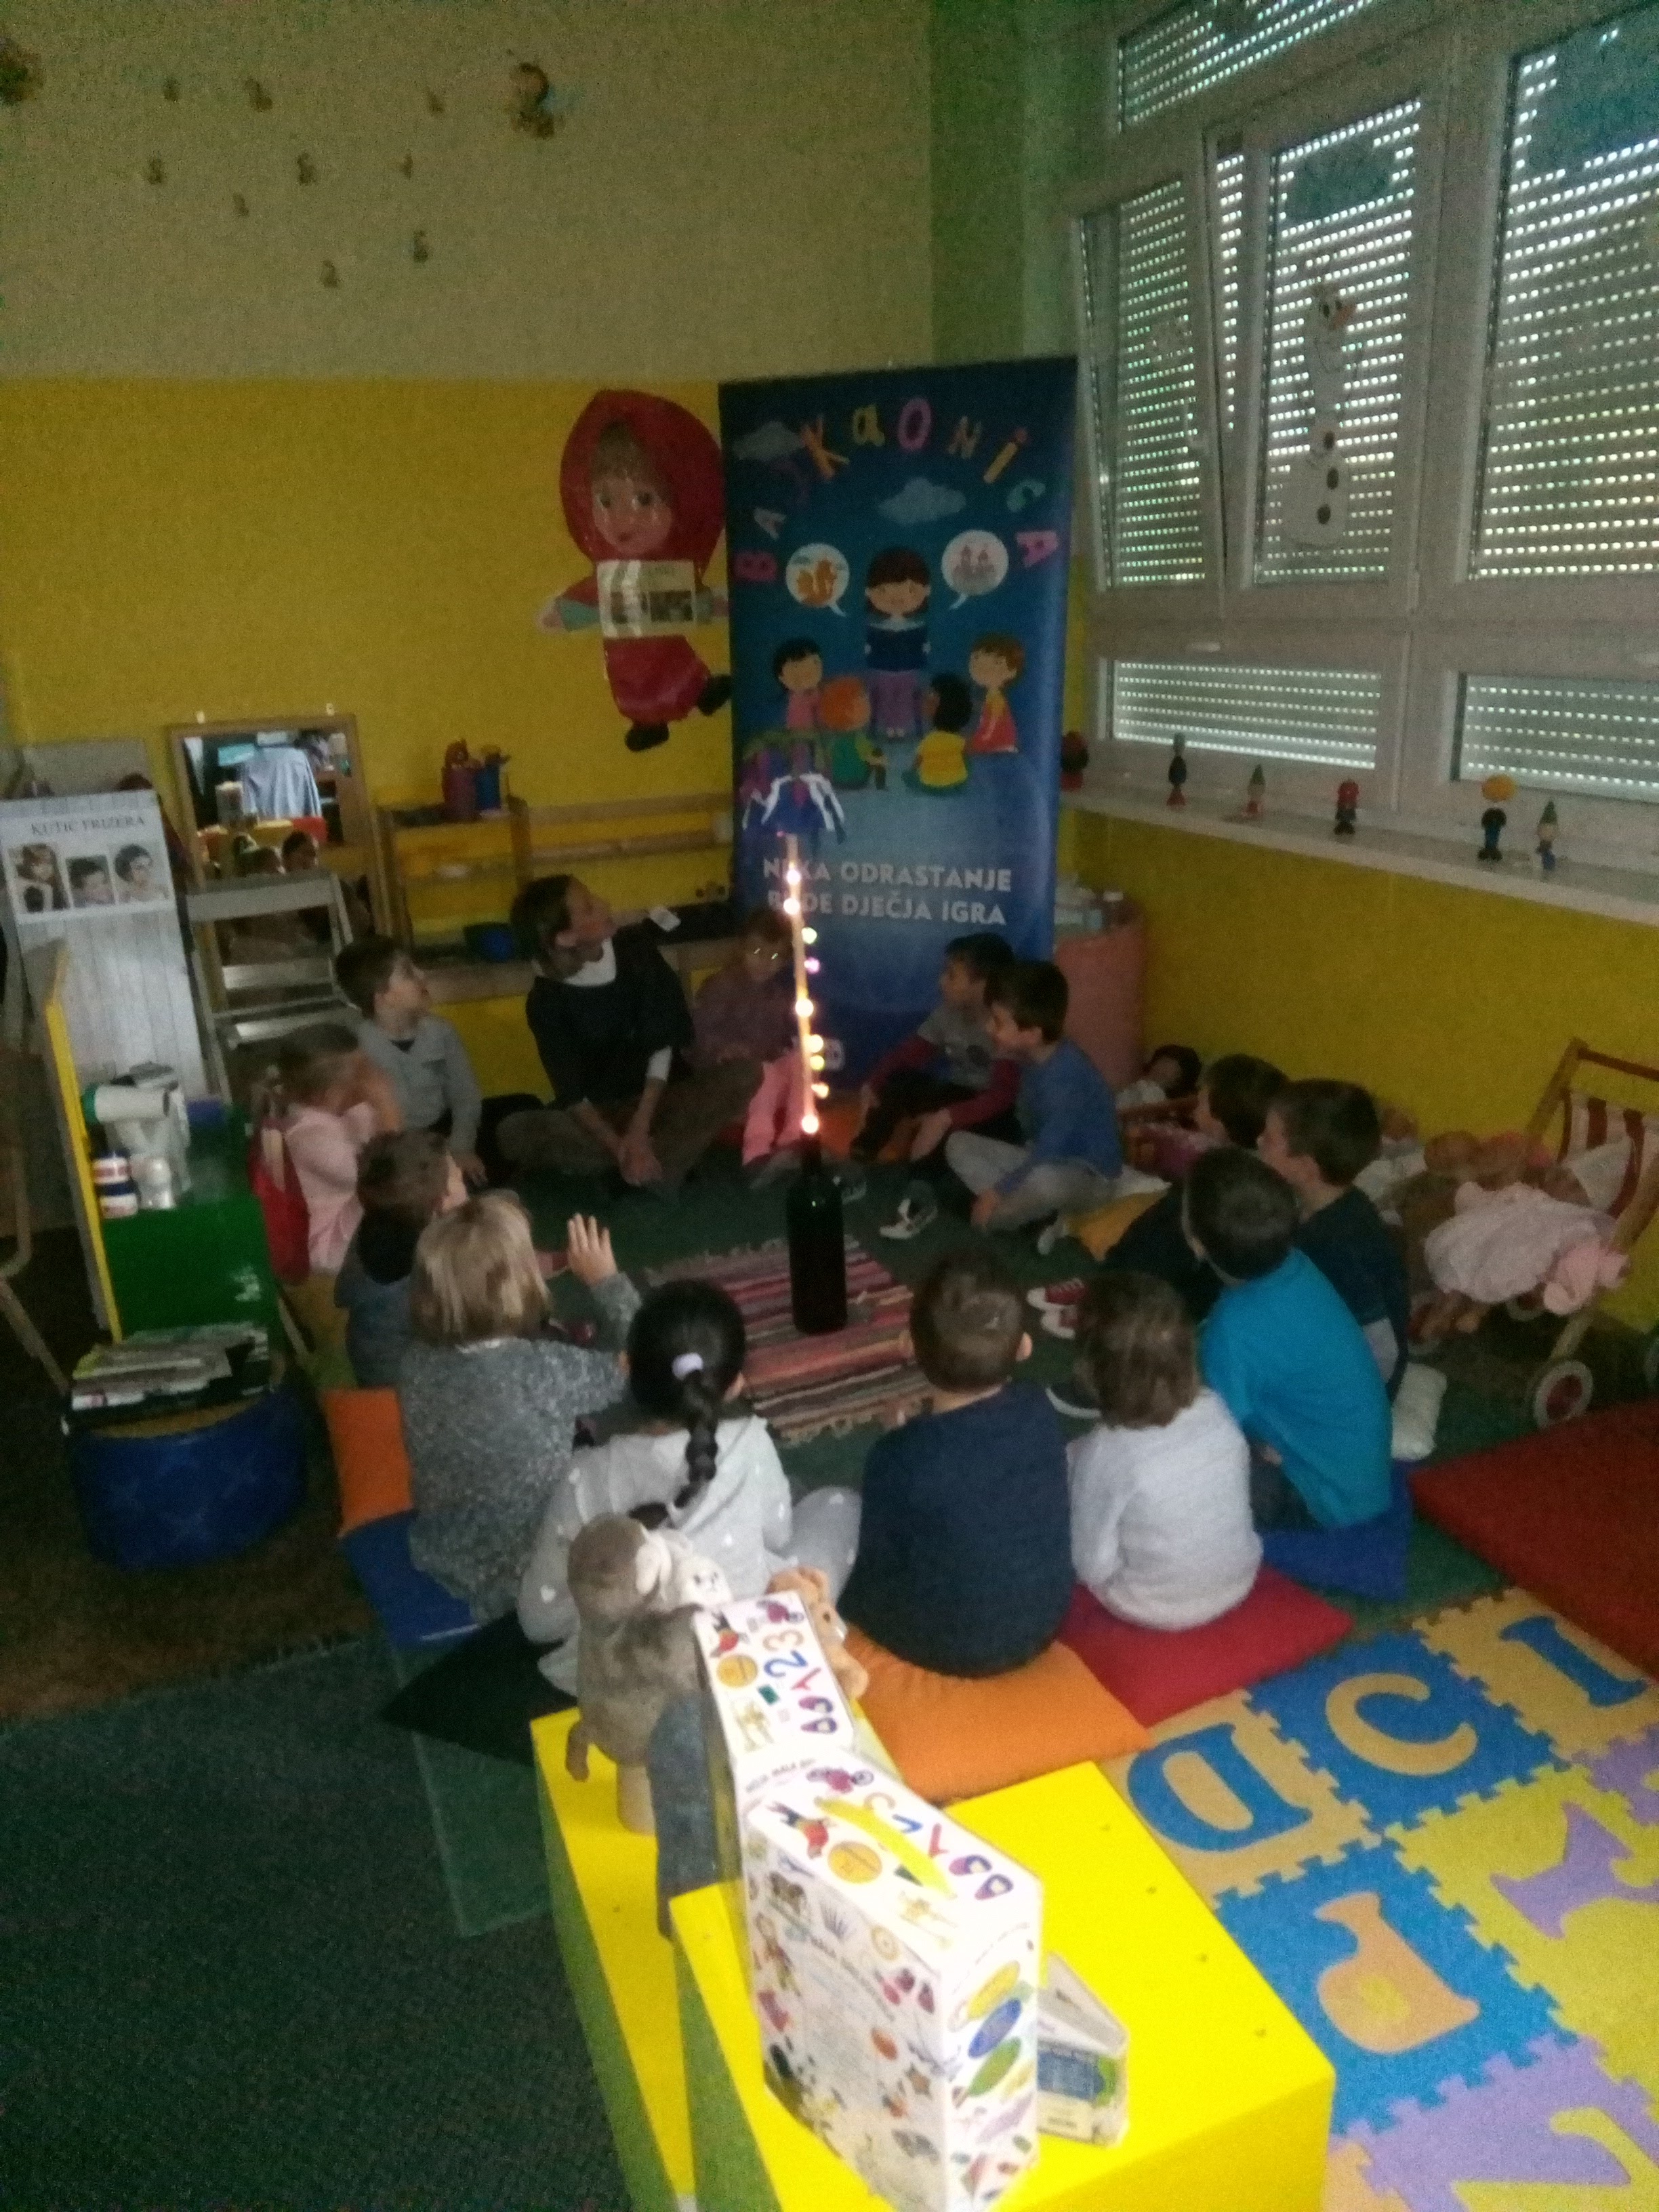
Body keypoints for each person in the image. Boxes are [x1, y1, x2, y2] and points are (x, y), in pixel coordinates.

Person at [518, 1279, 861, 1689]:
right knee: (841, 1503)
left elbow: (539, 1621)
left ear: (626, 1367)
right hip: (748, 1648)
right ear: (735, 1384)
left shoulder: (585, 1476)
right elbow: (779, 1535)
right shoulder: (752, 1442)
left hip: (630, 1681)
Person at [838, 1248, 1072, 1677]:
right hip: (1043, 1622)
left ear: (910, 1347)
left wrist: (898, 1439)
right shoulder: (1039, 1408)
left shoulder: (900, 1458)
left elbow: (877, 1557)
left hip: (941, 1645)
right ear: (1024, 1347)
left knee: (838, 1508)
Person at [400, 1202, 640, 1620]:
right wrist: (607, 1282)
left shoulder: (414, 1362)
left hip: (446, 1547)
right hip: (534, 1566)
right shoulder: (545, 1370)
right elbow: (648, 1356)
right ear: (518, 1286)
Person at [497, 875, 760, 1192]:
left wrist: (640, 1127)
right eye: (589, 908)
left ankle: (635, 1167)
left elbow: (663, 1043)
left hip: (660, 1100)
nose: (604, 905)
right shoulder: (545, 1001)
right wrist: (617, 1144)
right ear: (566, 938)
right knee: (515, 1131)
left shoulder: (636, 949)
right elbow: (573, 1094)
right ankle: (648, 1162)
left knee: (745, 1074)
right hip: (603, 1116)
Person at [1186, 1149, 1393, 1532]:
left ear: (1197, 1242)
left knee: (1176, 1472)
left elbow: (1214, 1431)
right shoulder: (1296, 1263)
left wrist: (1249, 1447)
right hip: (1360, 1477)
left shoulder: (1232, 1331)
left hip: (1320, 1498)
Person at [1067, 1272, 1260, 1628]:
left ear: (1092, 1371)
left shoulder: (1107, 1451)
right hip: (1239, 1579)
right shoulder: (1216, 1409)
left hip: (1151, 1606)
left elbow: (1091, 1567)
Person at [1099, 1052, 1288, 1321]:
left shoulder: (1212, 1186)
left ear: (1220, 1125)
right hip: (1197, 1285)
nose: (1195, 1108)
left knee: (1154, 1222)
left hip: (1167, 1298)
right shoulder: (1254, 1171)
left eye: (1201, 1101)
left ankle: (1111, 1292)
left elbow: (1166, 1243)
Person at [858, 933, 1020, 1240]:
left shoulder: (1004, 1024)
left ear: (982, 984)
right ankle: (860, 1156)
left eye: (951, 975)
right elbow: (908, 1054)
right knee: (900, 1081)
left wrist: (946, 1117)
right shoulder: (947, 1014)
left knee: (944, 1132)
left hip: (997, 1113)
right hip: (957, 1093)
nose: (941, 982)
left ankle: (921, 1196)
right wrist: (873, 1084)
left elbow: (1002, 1095)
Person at [944, 960, 1122, 1234]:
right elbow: (1031, 1134)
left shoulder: (1066, 1075)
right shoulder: (1031, 1059)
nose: (989, 1028)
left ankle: (1000, 1218)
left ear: (1031, 1035)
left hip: (1088, 1177)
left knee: (1044, 1181)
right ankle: (1031, 1217)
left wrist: (998, 1190)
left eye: (998, 1022)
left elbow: (1051, 1150)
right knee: (958, 1144)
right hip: (1041, 1158)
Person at [255, 1020, 402, 1352]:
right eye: (363, 1072)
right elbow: (389, 1177)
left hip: (358, 1232)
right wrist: (386, 1104)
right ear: (330, 1093)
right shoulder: (308, 1137)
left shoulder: (340, 1114)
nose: (374, 1076)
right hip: (332, 1255)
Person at [1259, 1078, 1410, 1395]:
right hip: (1323, 1343)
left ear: (1305, 1168)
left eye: (1269, 1139)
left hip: (1354, 1389)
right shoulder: (1336, 1202)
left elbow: (1381, 1347)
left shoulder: (1336, 1246)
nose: (1259, 1142)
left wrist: (1351, 1402)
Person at [336, 935, 486, 1186]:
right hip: (394, 1149)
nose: (422, 975)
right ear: (383, 996)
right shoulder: (357, 1048)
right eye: (408, 973)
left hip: (442, 1134)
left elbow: (465, 1095)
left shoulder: (441, 1032)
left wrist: (461, 1147)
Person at [334, 1129, 466, 1387]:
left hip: (372, 1360)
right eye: (457, 1178)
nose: (462, 1176)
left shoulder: (383, 1220)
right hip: (404, 1384)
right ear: (441, 1202)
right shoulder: (428, 1269)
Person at [690, 906, 800, 1175]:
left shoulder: (779, 995)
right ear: (742, 949)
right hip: (727, 1074)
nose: (765, 962)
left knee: (802, 1062)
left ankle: (793, 1140)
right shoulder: (722, 986)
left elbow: (780, 1039)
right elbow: (697, 1034)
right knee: (764, 1073)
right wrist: (723, 1049)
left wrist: (790, 1048)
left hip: (765, 1065)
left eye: (775, 956)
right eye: (757, 952)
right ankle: (756, 1152)